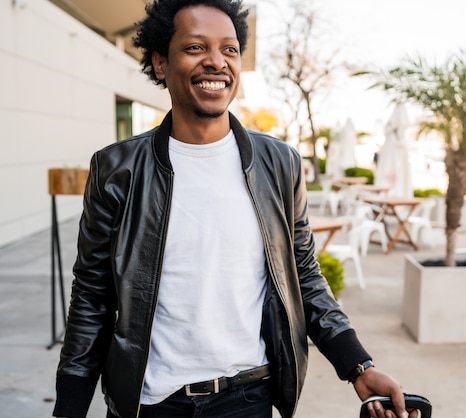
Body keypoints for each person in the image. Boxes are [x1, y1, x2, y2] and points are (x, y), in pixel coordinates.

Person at [53, 1, 418, 417]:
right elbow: (92, 298)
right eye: (195, 48)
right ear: (159, 62)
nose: (216, 62)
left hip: (248, 397)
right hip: (151, 401)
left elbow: (303, 276)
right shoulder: (117, 169)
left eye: (229, 50)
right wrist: (69, 407)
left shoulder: (279, 163)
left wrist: (358, 366)